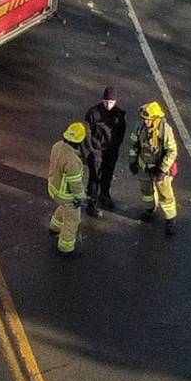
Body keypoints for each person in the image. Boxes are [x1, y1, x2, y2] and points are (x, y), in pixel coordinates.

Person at [129, 101, 179, 237]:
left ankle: (170, 219)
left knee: (165, 194)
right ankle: (149, 210)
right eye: (145, 119)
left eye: (148, 120)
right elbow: (134, 144)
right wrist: (132, 162)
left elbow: (172, 151)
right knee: (146, 191)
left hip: (159, 168)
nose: (146, 122)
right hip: (144, 166)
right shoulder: (140, 127)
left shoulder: (165, 130)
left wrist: (162, 170)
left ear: (156, 119)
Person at [83, 85, 128, 212]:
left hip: (111, 151)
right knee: (94, 176)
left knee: (107, 174)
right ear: (103, 100)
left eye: (111, 102)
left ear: (115, 101)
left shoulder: (119, 115)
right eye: (106, 102)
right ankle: (92, 200)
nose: (108, 105)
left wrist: (115, 146)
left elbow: (121, 132)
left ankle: (104, 195)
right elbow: (87, 132)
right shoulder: (93, 113)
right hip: (96, 150)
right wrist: (91, 150)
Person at [47, 121, 88, 256]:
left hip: (53, 188)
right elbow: (75, 184)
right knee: (72, 219)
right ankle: (66, 247)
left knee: (64, 207)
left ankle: (55, 226)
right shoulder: (72, 161)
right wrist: (81, 197)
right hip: (65, 194)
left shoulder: (57, 146)